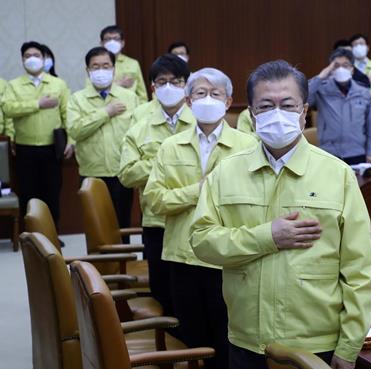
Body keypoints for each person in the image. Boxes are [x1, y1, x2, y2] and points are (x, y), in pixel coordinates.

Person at [189, 59, 371, 369]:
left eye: (287, 105)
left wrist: (349, 345)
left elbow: (360, 269)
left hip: (317, 343)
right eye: (266, 105)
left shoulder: (338, 175)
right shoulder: (226, 173)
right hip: (247, 339)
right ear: (252, 114)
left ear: (304, 112)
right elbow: (201, 240)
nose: (277, 113)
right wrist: (268, 236)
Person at [143, 67, 257, 368]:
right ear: (188, 101)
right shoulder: (170, 146)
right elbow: (155, 201)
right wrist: (200, 190)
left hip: (227, 258)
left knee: (228, 337)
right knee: (193, 340)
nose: (207, 100)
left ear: (229, 100)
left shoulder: (247, 146)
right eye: (200, 93)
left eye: (215, 94)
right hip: (182, 256)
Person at [118, 54, 193, 317]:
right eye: (163, 82)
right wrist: (163, 160)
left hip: (196, 221)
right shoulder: (140, 120)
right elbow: (126, 174)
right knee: (163, 294)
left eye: (177, 81)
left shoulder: (201, 118)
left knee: (194, 296)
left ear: (187, 84)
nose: (170, 87)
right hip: (157, 221)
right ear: (153, 87)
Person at [67, 46, 139, 234]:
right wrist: (105, 112)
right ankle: (96, 264)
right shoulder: (77, 99)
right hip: (92, 173)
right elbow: (75, 131)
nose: (101, 70)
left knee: (122, 225)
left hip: (122, 171)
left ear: (114, 69)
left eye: (106, 66)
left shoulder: (130, 98)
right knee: (95, 227)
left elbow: (138, 134)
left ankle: (123, 264)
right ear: (88, 70)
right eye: (95, 66)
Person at [1, 41, 72, 225]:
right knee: (28, 193)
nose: (32, 59)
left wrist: (71, 141)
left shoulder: (58, 84)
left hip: (52, 148)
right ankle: (32, 234)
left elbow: (68, 114)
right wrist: (37, 105)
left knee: (52, 193)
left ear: (44, 58)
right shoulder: (14, 85)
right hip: (25, 148)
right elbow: (8, 108)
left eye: (36, 55)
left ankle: (52, 234)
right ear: (22, 60)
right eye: (27, 56)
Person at [309, 48, 371, 164]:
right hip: (329, 153)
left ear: (352, 69)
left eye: (345, 65)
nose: (341, 69)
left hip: (357, 152)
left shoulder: (363, 92)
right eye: (336, 66)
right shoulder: (321, 89)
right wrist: (321, 76)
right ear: (330, 68)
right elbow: (301, 99)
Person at [100, 25, 148, 103]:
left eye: (116, 39)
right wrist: (119, 84)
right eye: (108, 39)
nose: (112, 42)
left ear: (122, 43)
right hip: (106, 108)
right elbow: (92, 91)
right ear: (102, 43)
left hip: (131, 110)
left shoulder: (133, 63)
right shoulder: (96, 65)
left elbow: (142, 94)